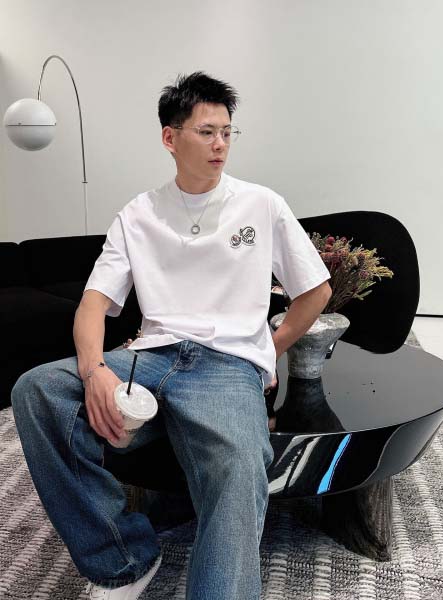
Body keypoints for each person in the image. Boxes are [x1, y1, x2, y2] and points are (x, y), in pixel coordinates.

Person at [11, 71, 332, 600]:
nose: (220, 144)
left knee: (238, 465)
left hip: (228, 365)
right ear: (170, 137)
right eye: (206, 132)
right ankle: (122, 559)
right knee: (38, 390)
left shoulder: (262, 204)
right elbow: (92, 305)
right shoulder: (138, 214)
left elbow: (315, 290)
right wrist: (94, 370)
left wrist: (266, 351)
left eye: (227, 132)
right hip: (151, 357)